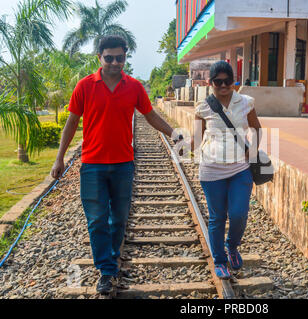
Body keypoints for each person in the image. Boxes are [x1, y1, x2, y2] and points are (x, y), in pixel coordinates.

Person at [51, 35, 183, 295]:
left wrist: (174, 134)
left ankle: (109, 260)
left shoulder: (133, 86)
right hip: (92, 165)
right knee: (97, 220)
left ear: (125, 57)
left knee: (119, 219)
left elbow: (151, 115)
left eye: (119, 58)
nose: (114, 62)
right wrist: (59, 158)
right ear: (99, 57)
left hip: (123, 164)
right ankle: (106, 269)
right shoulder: (85, 86)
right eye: (108, 58)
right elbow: (71, 123)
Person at [191, 61, 262, 279]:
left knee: (239, 214)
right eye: (218, 82)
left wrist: (253, 151)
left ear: (234, 81)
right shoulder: (203, 107)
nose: (223, 85)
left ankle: (231, 246)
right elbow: (195, 140)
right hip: (212, 170)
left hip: (240, 167)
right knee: (217, 217)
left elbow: (256, 128)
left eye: (227, 81)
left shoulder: (245, 102)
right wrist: (191, 147)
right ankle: (220, 261)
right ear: (210, 83)